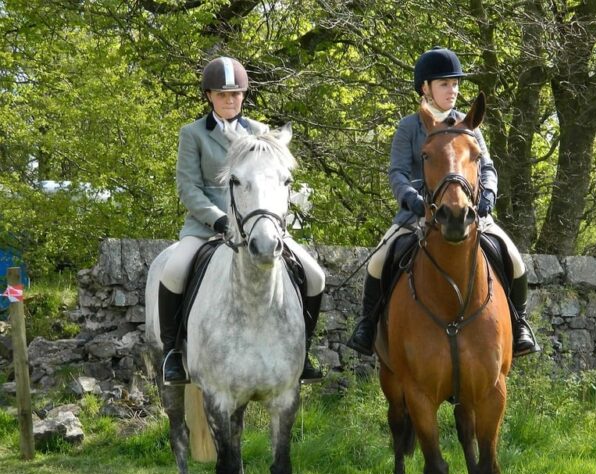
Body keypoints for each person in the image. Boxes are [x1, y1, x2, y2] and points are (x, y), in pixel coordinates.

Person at [346, 47, 539, 357]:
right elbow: (396, 171)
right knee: (378, 260)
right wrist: (410, 199)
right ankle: (368, 326)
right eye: (444, 84)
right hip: (418, 214)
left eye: (455, 84)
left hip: (467, 210)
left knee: (512, 257)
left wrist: (488, 193)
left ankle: (519, 326)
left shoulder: (468, 123)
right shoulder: (409, 127)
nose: (453, 91)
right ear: (426, 87)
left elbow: (485, 166)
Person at [158, 56, 326, 385]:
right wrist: (219, 220)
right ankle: (172, 353)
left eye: (236, 94)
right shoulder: (193, 134)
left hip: (259, 225)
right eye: (223, 94)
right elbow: (188, 187)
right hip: (207, 228)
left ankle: (303, 351)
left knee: (315, 275)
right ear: (209, 96)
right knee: (173, 270)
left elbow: (275, 181)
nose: (230, 100)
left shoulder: (261, 133)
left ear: (243, 96)